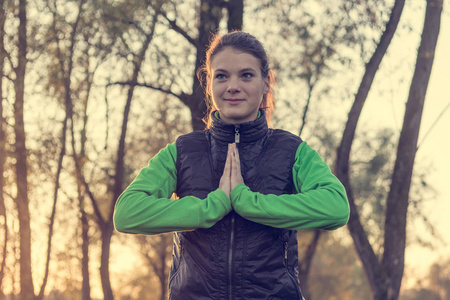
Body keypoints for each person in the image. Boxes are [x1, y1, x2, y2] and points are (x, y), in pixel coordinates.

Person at [114, 31, 350, 300]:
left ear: (266, 83)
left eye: (246, 75)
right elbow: (127, 213)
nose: (233, 86)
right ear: (209, 83)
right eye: (222, 75)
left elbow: (336, 207)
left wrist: (248, 202)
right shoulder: (182, 151)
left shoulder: (292, 150)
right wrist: (212, 206)